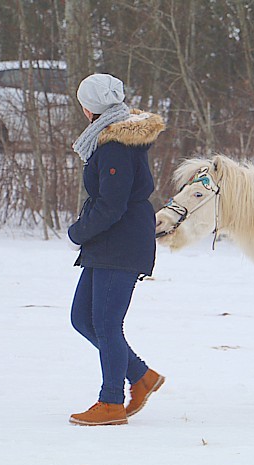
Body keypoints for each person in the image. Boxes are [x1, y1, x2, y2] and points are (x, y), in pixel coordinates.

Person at [66, 73, 166, 426]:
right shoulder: (109, 140)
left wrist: (79, 231)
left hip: (120, 242)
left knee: (107, 324)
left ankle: (111, 402)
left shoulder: (114, 147)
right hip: (109, 242)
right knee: (82, 318)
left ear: (90, 107)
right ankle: (140, 375)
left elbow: (112, 204)